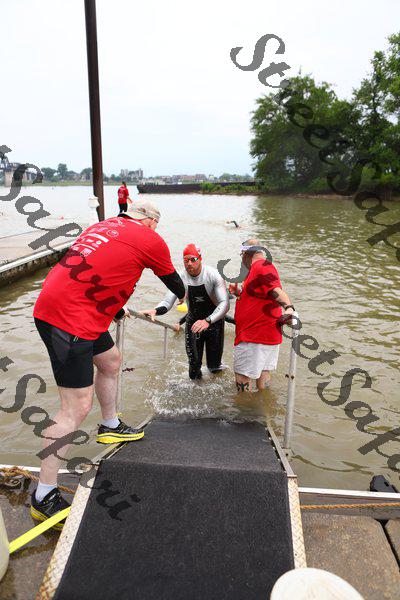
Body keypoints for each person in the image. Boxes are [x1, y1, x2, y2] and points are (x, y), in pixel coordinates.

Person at [31, 200, 185, 526]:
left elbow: (95, 269)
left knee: (111, 360)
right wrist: (186, 298)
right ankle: (43, 494)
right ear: (150, 221)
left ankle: (110, 426)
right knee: (75, 408)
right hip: (68, 321)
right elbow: (176, 286)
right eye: (156, 226)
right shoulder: (149, 238)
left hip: (71, 307)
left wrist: (114, 306)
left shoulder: (102, 226)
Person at [142, 244, 229, 380]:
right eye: (186, 260)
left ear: (200, 259)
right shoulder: (180, 278)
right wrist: (155, 310)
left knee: (214, 367)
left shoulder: (213, 275)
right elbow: (167, 301)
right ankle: (195, 391)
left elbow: (225, 304)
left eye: (193, 259)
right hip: (193, 323)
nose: (189, 263)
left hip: (214, 323)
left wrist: (208, 321)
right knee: (193, 368)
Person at [230, 239, 294, 393]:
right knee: (263, 375)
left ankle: (244, 407)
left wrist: (289, 308)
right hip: (267, 335)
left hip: (254, 336)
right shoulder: (258, 269)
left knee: (242, 376)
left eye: (241, 255)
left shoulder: (261, 266)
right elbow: (264, 293)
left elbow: (275, 290)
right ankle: (264, 406)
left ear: (246, 254)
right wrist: (240, 293)